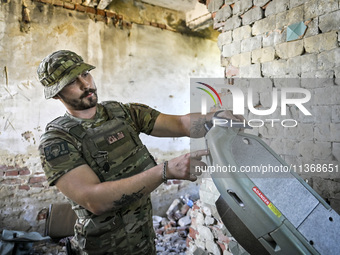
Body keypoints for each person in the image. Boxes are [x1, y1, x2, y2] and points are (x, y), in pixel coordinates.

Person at [37, 50, 242, 255]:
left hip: (144, 244)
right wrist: (165, 171)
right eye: (72, 82)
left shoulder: (123, 113)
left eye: (85, 74)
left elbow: (179, 123)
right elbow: (95, 200)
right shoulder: (57, 140)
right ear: (57, 93)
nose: (85, 85)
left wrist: (214, 118)